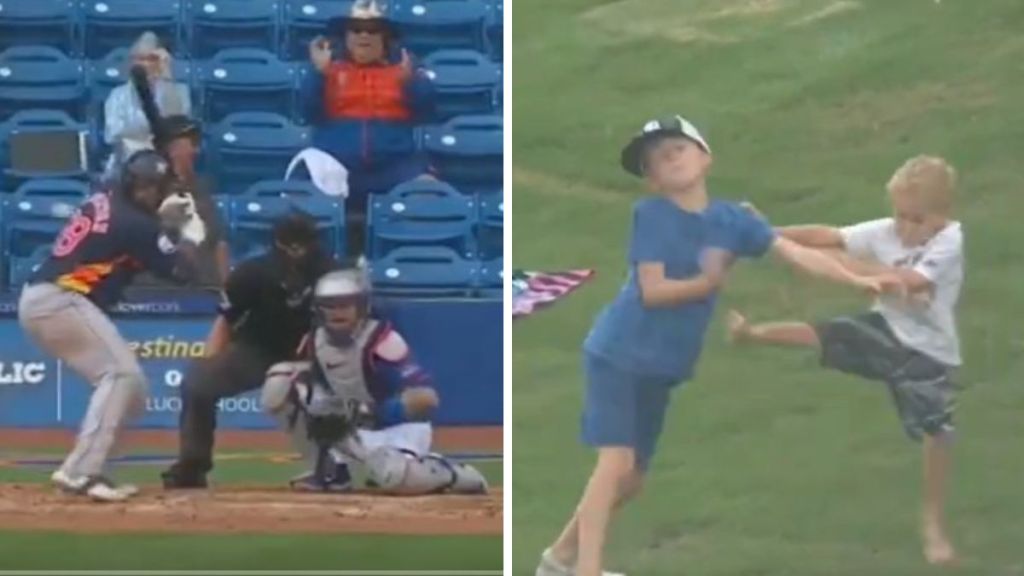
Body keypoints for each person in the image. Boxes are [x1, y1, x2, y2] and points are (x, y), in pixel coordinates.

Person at [534, 116, 903, 576]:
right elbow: (653, 291)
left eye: (677, 149)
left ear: (705, 156)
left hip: (662, 364)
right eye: (656, 160)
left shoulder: (731, 221)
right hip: (619, 352)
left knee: (631, 481)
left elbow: (796, 254)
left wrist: (858, 278)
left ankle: (559, 560)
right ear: (650, 180)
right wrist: (707, 280)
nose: (669, 161)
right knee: (615, 463)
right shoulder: (650, 216)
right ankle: (584, 571)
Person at [726, 155, 962, 566]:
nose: (903, 228)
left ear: (942, 215)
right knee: (826, 333)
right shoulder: (888, 231)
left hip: (928, 351)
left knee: (935, 431)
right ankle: (750, 333)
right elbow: (830, 235)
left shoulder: (950, 241)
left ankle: (933, 525)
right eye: (899, 216)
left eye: (916, 219)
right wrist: (768, 234)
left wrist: (831, 263)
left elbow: (906, 282)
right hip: (887, 327)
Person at [18, 150, 206, 502]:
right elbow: (184, 273)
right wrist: (189, 234)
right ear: (133, 184)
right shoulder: (135, 224)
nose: (152, 193)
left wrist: (164, 225)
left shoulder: (108, 196)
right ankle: (80, 472)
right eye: (148, 187)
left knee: (132, 393)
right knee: (120, 375)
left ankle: (93, 468)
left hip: (50, 299)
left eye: (156, 187)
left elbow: (133, 243)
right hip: (60, 299)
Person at [260, 267, 488, 494]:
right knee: (279, 383)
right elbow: (311, 384)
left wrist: (367, 411)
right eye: (330, 305)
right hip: (349, 427)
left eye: (345, 305)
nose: (337, 312)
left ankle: (452, 473)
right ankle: (328, 471)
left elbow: (427, 399)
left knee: (394, 477)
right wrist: (325, 407)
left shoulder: (383, 343)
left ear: (361, 307)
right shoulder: (314, 341)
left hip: (396, 429)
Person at [160, 213, 338, 489]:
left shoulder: (331, 274)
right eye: (291, 246)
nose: (297, 254)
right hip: (258, 349)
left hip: (314, 354)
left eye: (303, 245)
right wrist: (208, 360)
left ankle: (365, 462)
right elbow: (226, 319)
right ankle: (192, 466)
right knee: (198, 383)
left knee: (355, 389)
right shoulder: (252, 272)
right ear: (278, 244)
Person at [300, 0, 435, 253]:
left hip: (393, 165)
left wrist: (411, 83)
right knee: (304, 189)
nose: (364, 35)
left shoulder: (404, 70)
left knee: (427, 189)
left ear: (385, 38)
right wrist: (318, 74)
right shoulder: (328, 71)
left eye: (373, 30)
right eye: (356, 29)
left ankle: (409, 263)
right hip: (339, 165)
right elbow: (309, 112)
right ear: (346, 36)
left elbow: (426, 112)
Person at [140, 114, 229, 287]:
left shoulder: (201, 188)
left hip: (202, 289)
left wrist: (225, 290)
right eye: (191, 144)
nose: (196, 151)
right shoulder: (146, 189)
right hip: (154, 290)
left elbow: (219, 242)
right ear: (171, 148)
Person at [103, 32, 191, 173]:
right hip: (127, 165)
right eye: (139, 59)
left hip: (168, 164)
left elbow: (176, 127)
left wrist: (166, 75)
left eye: (152, 59)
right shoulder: (117, 95)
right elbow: (114, 135)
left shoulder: (180, 92)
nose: (144, 64)